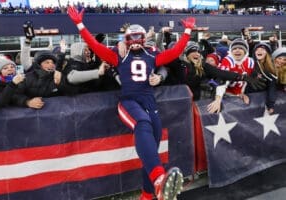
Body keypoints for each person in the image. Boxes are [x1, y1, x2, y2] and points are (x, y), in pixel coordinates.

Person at [67, 6, 195, 200]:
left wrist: (186, 32)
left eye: (138, 37)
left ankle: (147, 195)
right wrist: (80, 24)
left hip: (150, 103)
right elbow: (94, 45)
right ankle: (159, 180)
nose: (134, 41)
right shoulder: (118, 54)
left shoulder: (152, 54)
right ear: (126, 39)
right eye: (131, 37)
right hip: (129, 102)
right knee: (142, 124)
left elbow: (175, 52)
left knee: (151, 150)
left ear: (143, 38)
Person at [249, 42, 277, 114]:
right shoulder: (250, 64)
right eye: (257, 49)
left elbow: (272, 87)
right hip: (248, 99)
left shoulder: (271, 67)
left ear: (267, 53)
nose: (259, 51)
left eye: (262, 49)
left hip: (259, 100)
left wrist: (270, 105)